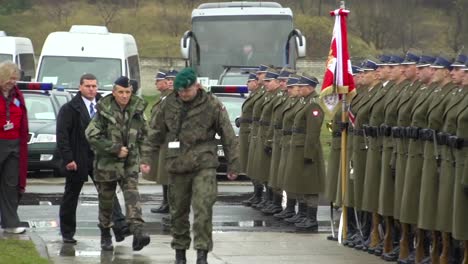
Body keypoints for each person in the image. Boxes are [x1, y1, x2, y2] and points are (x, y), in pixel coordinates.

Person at [149, 68, 239, 264]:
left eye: (187, 91)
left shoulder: (212, 104)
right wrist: (146, 158)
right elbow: (155, 132)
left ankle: (202, 254)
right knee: (178, 211)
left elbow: (228, 135)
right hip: (177, 164)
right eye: (180, 91)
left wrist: (233, 164)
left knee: (203, 208)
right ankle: (180, 253)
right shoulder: (169, 103)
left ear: (196, 86)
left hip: (204, 163)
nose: (183, 94)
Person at [57, 73, 130, 244]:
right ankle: (67, 232)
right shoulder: (69, 108)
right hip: (78, 158)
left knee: (108, 192)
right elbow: (62, 136)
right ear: (80, 87)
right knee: (71, 196)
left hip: (101, 158)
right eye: (88, 86)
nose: (91, 89)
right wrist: (68, 159)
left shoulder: (104, 106)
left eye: (94, 86)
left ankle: (119, 228)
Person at [85, 76, 151, 251]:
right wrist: (114, 148)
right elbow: (91, 135)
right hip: (107, 164)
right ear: (114, 92)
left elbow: (145, 137)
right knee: (106, 201)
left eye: (127, 92)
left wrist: (145, 159)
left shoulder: (137, 111)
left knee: (132, 196)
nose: (124, 96)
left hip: (130, 163)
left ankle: (138, 232)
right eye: (120, 92)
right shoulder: (103, 111)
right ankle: (105, 234)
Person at [0, 61, 28, 234]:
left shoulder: (17, 95)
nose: (12, 82)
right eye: (10, 78)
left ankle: (10, 223)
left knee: (11, 184)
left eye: (15, 79)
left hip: (15, 145)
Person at [143, 70, 173, 214]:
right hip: (162, 140)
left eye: (158, 81)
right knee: (163, 174)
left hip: (168, 141)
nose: (156, 83)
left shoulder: (170, 99)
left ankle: (169, 204)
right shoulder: (163, 98)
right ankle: (166, 202)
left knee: (167, 174)